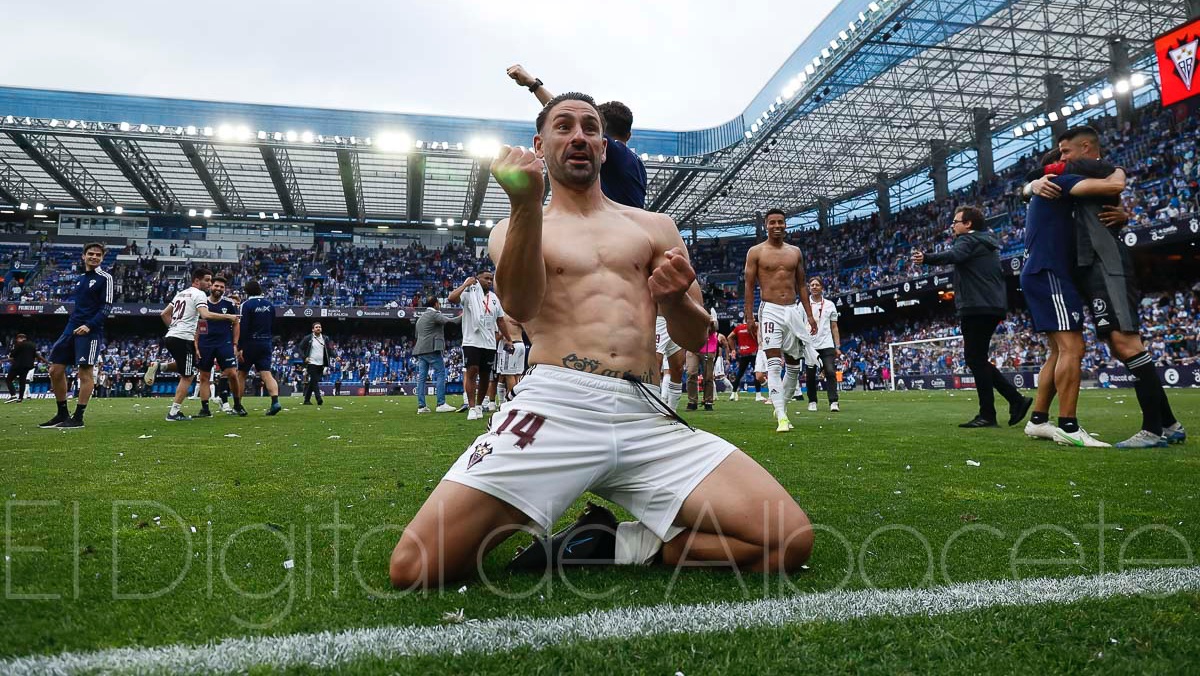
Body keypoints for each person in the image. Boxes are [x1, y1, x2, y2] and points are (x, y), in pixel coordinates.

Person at [389, 92, 812, 588]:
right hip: (556, 406)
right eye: (563, 127)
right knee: (415, 568)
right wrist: (526, 204)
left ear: (604, 147)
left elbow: (696, 337)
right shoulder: (515, 225)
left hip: (645, 409)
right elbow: (521, 308)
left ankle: (616, 544)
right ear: (540, 145)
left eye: (590, 128)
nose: (578, 137)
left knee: (789, 539)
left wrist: (676, 301)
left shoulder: (654, 226)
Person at [1030, 125, 1186, 448]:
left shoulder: (1091, 166)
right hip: (1089, 268)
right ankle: (1169, 424)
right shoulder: (1077, 171)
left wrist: (1033, 183)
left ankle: (1154, 429)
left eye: (1066, 151)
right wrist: (1031, 185)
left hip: (1106, 264)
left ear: (1086, 148)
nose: (1061, 159)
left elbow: (1116, 178)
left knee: (1126, 342)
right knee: (1120, 344)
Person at [1020, 149, 1126, 446]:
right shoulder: (1060, 180)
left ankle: (1038, 421)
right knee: (1073, 348)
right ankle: (1068, 426)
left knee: (1058, 351)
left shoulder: (1048, 187)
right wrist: (1117, 169)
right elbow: (1113, 186)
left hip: (1042, 271)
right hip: (1049, 271)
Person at [912, 207, 1032, 429]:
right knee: (977, 359)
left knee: (975, 359)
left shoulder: (967, 240)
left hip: (976, 306)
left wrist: (926, 258)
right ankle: (1014, 400)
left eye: (956, 222)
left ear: (968, 224)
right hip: (991, 305)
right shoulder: (986, 242)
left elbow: (953, 255)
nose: (953, 226)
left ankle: (991, 412)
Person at [506, 64, 647, 208]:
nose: (580, 137)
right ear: (628, 135)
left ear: (602, 138)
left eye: (589, 128)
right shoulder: (637, 165)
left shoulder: (617, 152)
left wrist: (533, 84)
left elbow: (560, 111)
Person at [744, 209, 819, 433]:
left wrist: (810, 314)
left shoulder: (795, 252)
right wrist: (749, 316)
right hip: (770, 310)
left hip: (793, 310)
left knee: (795, 365)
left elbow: (802, 285)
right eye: (773, 222)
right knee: (774, 365)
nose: (777, 226)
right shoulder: (755, 252)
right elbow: (748, 286)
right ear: (766, 226)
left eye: (781, 222)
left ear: (786, 225)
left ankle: (781, 407)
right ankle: (782, 418)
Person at [146, 267, 238, 421]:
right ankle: (173, 413)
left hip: (171, 336)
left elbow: (164, 314)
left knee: (188, 366)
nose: (209, 284)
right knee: (188, 376)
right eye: (207, 280)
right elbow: (205, 314)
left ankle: (160, 366)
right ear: (197, 280)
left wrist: (174, 328)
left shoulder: (181, 293)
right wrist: (228, 316)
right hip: (183, 338)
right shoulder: (199, 294)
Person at [39, 242, 112, 429]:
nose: (94, 257)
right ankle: (62, 413)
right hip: (71, 327)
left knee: (84, 372)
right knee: (55, 370)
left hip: (91, 330)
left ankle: (78, 417)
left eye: (98, 255)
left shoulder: (106, 278)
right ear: (83, 256)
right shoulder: (80, 279)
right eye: (91, 254)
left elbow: (106, 307)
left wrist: (89, 325)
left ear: (102, 258)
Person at [448, 272, 513, 420]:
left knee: (485, 375)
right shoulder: (469, 293)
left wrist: (508, 339)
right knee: (472, 371)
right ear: (478, 279)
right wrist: (465, 284)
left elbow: (501, 321)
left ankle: (478, 406)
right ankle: (471, 408)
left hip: (489, 342)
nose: (489, 281)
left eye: (491, 279)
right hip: (472, 340)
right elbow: (451, 298)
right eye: (486, 278)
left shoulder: (494, 298)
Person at [194, 276, 246, 417]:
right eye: (216, 286)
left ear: (225, 289)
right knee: (204, 376)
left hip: (224, 343)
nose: (218, 289)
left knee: (232, 374)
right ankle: (205, 409)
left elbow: (236, 323)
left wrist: (235, 344)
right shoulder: (202, 302)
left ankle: (237, 405)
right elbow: (197, 326)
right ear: (211, 286)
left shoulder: (229, 304)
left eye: (222, 287)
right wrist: (196, 345)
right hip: (206, 343)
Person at [237, 280, 282, 416]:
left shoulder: (246, 305)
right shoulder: (269, 305)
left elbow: (243, 327)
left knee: (242, 374)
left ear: (247, 291)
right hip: (265, 342)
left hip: (250, 343)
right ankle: (275, 401)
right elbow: (273, 323)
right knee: (266, 373)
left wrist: (240, 347)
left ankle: (238, 405)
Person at [413, 297, 461, 414]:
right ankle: (441, 403)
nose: (440, 305)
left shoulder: (420, 319)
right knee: (441, 373)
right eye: (439, 303)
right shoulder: (434, 314)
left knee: (422, 379)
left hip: (420, 350)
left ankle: (421, 406)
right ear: (435, 304)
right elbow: (451, 321)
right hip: (431, 349)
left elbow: (416, 335)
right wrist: (465, 315)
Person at [804, 278, 842, 413]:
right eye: (812, 285)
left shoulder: (830, 305)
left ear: (822, 288)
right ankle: (812, 401)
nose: (814, 287)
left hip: (826, 343)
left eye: (817, 285)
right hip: (810, 345)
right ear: (809, 288)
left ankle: (833, 402)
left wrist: (837, 346)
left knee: (830, 372)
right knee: (810, 374)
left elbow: (834, 326)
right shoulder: (803, 304)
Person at [494, 314, 528, 408]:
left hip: (510, 345)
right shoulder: (518, 314)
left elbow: (499, 335)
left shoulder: (502, 316)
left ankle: (513, 401)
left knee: (509, 375)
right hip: (521, 344)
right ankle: (519, 399)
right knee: (518, 374)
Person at [297, 322, 334, 406]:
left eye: (319, 327)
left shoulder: (325, 338)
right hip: (311, 362)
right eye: (316, 327)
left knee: (313, 381)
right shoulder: (308, 338)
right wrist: (304, 357)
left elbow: (329, 350)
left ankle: (306, 400)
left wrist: (336, 356)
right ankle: (318, 398)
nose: (318, 328)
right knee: (314, 380)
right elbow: (300, 348)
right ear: (313, 329)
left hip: (321, 363)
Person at [726, 320, 760, 402]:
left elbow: (729, 337)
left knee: (740, 374)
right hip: (753, 353)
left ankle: (733, 394)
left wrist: (733, 349)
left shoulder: (738, 328)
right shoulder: (753, 327)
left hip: (743, 352)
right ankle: (758, 395)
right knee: (757, 372)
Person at [5, 333, 43, 404]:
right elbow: (36, 355)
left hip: (18, 365)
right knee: (22, 382)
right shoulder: (32, 345)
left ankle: (13, 395)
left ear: (19, 338)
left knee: (8, 379)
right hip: (27, 366)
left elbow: (13, 354)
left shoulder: (19, 344)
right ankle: (20, 398)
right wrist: (47, 362)